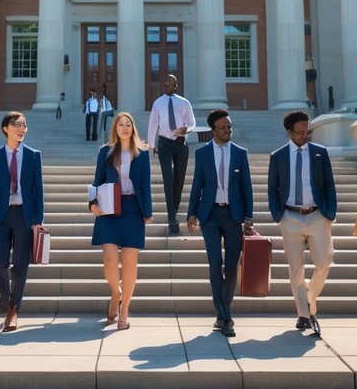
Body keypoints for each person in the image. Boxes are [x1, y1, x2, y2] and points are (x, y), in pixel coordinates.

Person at [267, 111, 337, 338]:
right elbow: (272, 188)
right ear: (289, 132)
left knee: (324, 263)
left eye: (308, 131)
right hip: (290, 217)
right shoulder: (277, 156)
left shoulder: (320, 153)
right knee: (296, 269)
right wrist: (278, 215)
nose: (305, 135)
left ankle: (309, 298)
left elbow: (329, 185)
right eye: (300, 132)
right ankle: (303, 314)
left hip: (317, 215)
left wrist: (330, 213)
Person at [187, 109, 254, 338]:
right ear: (213, 130)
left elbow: (247, 187)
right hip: (210, 216)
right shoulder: (203, 154)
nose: (227, 131)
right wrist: (191, 213)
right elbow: (198, 183)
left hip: (233, 216)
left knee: (231, 266)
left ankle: (222, 313)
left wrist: (249, 217)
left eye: (229, 127)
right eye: (223, 128)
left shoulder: (240, 153)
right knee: (215, 263)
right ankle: (226, 316)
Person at [87, 111, 154, 330]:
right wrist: (92, 203)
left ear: (133, 128)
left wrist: (148, 212)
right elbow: (97, 180)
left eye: (128, 124)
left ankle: (125, 308)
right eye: (120, 124)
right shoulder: (105, 152)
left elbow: (145, 184)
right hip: (109, 209)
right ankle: (116, 293)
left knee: (129, 263)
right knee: (109, 260)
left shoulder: (142, 153)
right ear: (115, 128)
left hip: (133, 209)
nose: (125, 127)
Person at [0, 110, 44, 332]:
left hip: (24, 215)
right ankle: (6, 294)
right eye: (17, 124)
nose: (21, 128)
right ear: (5, 128)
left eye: (24, 125)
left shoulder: (34, 155)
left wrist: (38, 220)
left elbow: (38, 190)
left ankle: (13, 309)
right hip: (0, 215)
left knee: (20, 265)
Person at [146, 74, 195, 234]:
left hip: (180, 142)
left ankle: (174, 208)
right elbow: (153, 123)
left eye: (170, 84)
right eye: (165, 83)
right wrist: (152, 144)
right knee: (168, 179)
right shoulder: (158, 103)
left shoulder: (183, 102)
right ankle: (171, 217)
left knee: (179, 179)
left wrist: (186, 130)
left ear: (176, 85)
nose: (166, 86)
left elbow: (192, 122)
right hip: (165, 142)